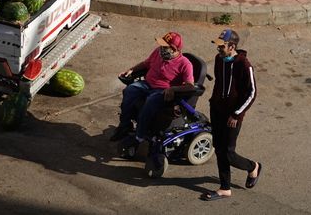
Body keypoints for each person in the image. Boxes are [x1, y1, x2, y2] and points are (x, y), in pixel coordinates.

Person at [200, 29, 261, 201]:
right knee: (219, 149)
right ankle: (225, 188)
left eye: (222, 46)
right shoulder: (220, 60)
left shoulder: (244, 64)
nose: (218, 49)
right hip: (217, 111)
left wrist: (236, 114)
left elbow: (252, 93)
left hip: (233, 115)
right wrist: (213, 102)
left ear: (232, 46)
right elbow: (220, 83)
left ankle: (253, 166)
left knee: (228, 152)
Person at [110, 31, 194, 144]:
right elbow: (146, 63)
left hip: (162, 91)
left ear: (174, 49)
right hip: (147, 84)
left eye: (165, 47)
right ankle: (124, 126)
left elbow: (190, 86)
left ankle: (140, 136)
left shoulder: (185, 64)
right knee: (129, 90)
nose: (161, 48)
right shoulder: (158, 53)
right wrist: (132, 70)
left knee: (149, 102)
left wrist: (173, 89)